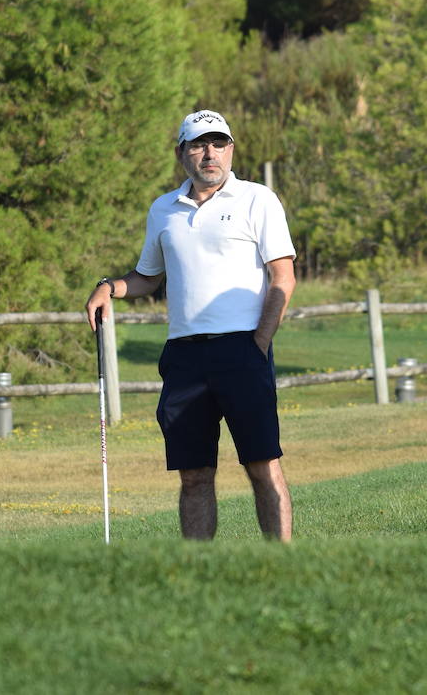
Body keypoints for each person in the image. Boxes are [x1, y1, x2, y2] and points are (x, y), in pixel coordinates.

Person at [85, 110, 297, 541]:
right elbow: (148, 276)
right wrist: (110, 287)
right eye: (199, 145)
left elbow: (283, 277)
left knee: (262, 465)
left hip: (243, 349)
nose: (209, 154)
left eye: (218, 144)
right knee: (194, 475)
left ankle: (283, 564)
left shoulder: (258, 199)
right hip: (183, 356)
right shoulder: (163, 209)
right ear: (182, 153)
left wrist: (259, 343)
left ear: (231, 149)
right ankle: (198, 572)